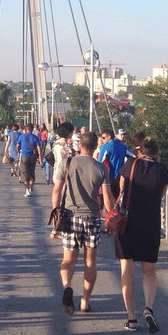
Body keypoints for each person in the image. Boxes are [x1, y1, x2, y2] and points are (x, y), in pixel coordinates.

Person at [52, 131, 114, 315]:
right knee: (90, 261)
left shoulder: (67, 163)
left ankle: (67, 287)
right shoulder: (101, 168)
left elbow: (56, 191)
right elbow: (107, 199)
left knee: (68, 259)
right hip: (92, 218)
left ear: (80, 145)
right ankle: (85, 302)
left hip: (70, 217)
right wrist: (110, 219)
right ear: (96, 146)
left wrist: (56, 216)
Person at [115, 136, 168, 334]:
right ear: (156, 154)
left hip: (128, 223)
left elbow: (122, 187)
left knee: (127, 269)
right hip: (150, 224)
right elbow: (161, 194)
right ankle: (148, 308)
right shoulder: (162, 170)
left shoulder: (130, 164)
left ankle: (131, 318)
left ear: (140, 153)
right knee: (149, 270)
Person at [96, 127, 130, 198]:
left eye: (103, 137)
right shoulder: (123, 146)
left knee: (107, 199)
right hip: (120, 177)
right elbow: (133, 156)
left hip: (108, 178)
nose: (102, 140)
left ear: (109, 137)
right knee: (116, 199)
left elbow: (99, 163)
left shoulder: (105, 147)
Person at [17, 123, 41, 197]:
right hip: (33, 157)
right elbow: (39, 148)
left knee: (25, 173)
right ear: (32, 129)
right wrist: (40, 157)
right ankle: (32, 188)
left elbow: (17, 146)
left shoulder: (21, 136)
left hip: (24, 156)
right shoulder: (35, 137)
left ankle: (27, 190)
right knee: (31, 172)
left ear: (26, 129)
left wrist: (18, 153)